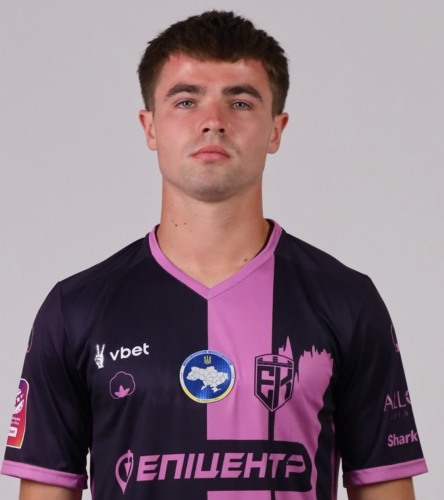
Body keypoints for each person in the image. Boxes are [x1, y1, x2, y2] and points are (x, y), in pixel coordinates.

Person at [1, 10, 427, 500]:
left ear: (276, 130)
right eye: (186, 101)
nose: (213, 122)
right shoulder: (75, 310)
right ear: (149, 127)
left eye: (240, 102)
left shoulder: (347, 300)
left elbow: (386, 487)